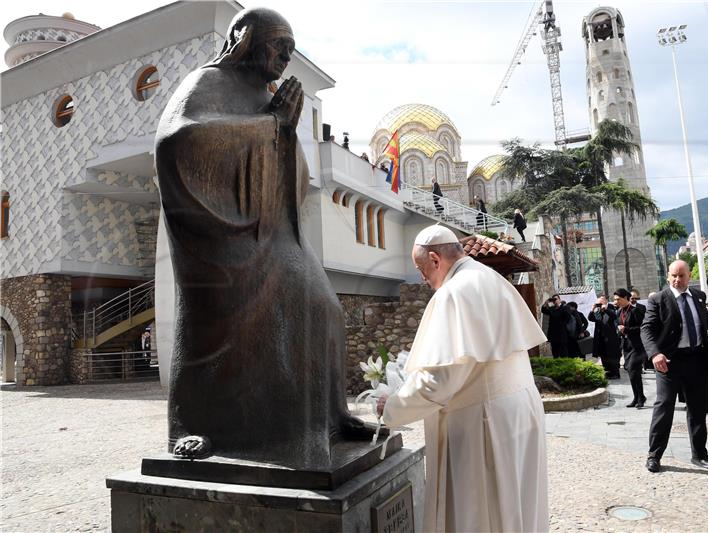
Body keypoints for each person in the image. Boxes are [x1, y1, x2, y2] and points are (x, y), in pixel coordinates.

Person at [155, 8, 374, 464]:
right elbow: (178, 142)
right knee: (258, 319)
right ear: (245, 37)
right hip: (222, 240)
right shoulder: (207, 82)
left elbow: (295, 172)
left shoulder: (266, 95)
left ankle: (329, 416)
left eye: (290, 53)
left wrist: (284, 129)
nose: (283, 59)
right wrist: (272, 125)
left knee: (324, 307)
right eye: (278, 46)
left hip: (272, 232)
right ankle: (198, 425)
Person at [377, 224, 549, 532]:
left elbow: (439, 382)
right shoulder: (490, 278)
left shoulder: (453, 294)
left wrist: (392, 408)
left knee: (486, 514)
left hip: (485, 423)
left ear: (434, 259)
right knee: (517, 508)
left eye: (421, 269)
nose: (422, 278)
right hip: (519, 411)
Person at [641, 260, 708, 473]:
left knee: (698, 409)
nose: (677, 279)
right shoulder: (658, 299)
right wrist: (655, 353)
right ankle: (654, 455)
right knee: (664, 407)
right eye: (673, 275)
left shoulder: (699, 297)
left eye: (681, 275)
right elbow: (646, 330)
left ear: (689, 276)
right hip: (669, 362)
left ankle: (700, 454)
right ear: (668, 276)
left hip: (696, 360)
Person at [613, 288, 647, 408]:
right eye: (615, 300)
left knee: (633, 370)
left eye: (618, 299)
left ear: (625, 298)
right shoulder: (618, 312)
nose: (616, 302)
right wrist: (620, 332)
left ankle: (640, 397)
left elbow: (643, 328)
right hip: (626, 346)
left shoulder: (635, 311)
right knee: (631, 371)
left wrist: (626, 329)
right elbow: (619, 326)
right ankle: (637, 397)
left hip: (637, 346)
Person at [588, 295, 621, 378]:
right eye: (598, 302)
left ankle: (615, 373)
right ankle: (607, 372)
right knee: (603, 355)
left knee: (612, 356)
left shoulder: (611, 307)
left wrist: (605, 309)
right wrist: (592, 309)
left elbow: (614, 316)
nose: (599, 304)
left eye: (601, 302)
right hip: (600, 337)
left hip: (611, 337)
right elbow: (591, 318)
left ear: (606, 301)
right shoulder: (598, 310)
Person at [632, 289, 654, 371]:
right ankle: (638, 367)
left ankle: (645, 366)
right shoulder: (625, 308)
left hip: (641, 332)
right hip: (631, 333)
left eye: (635, 298)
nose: (633, 300)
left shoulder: (642, 307)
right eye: (632, 298)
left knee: (642, 350)